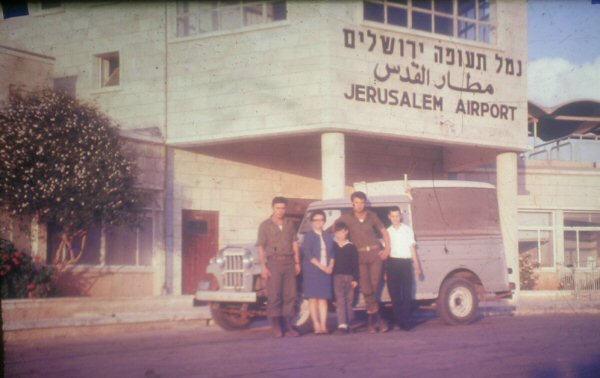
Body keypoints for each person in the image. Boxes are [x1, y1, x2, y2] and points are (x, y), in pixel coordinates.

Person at [336, 191, 391, 333]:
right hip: (359, 256)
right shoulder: (346, 218)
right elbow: (333, 230)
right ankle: (377, 320)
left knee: (373, 287)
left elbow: (384, 232)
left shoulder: (372, 216)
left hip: (374, 254)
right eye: (356, 202)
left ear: (365, 203)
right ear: (352, 204)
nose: (359, 205)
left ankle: (371, 323)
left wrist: (387, 250)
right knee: (366, 289)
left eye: (362, 202)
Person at [257, 196, 302, 338]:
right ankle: (276, 325)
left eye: (283, 208)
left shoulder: (290, 224)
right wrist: (263, 267)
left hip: (289, 262)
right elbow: (261, 247)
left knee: (290, 295)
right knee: (275, 295)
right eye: (277, 208)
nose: (280, 211)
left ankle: (287, 326)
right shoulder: (265, 225)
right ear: (273, 208)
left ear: (286, 209)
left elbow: (294, 243)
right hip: (274, 263)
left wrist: (297, 262)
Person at [386, 206, 422, 331]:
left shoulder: (407, 230)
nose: (395, 218)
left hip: (406, 263)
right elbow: (386, 251)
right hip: (392, 264)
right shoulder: (387, 231)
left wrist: (417, 265)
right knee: (395, 295)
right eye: (393, 216)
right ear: (389, 217)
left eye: (397, 216)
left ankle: (405, 321)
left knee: (406, 294)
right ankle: (398, 321)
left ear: (400, 216)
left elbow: (412, 249)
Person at [301, 210, 335, 335]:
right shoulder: (308, 236)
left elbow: (332, 253)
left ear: (324, 221)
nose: (318, 222)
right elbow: (308, 254)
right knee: (313, 299)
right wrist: (322, 267)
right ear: (312, 222)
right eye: (316, 220)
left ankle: (323, 325)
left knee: (323, 299)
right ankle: (316, 324)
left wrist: (330, 266)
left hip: (326, 270)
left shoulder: (328, 236)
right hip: (312, 270)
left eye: (321, 220)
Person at [331, 221, 359, 335]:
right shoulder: (333, 246)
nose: (339, 235)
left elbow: (355, 264)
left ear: (346, 232)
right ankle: (342, 324)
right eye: (337, 232)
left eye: (342, 232)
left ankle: (350, 323)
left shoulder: (351, 247)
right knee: (340, 300)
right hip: (337, 276)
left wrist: (355, 279)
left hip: (349, 277)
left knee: (349, 301)